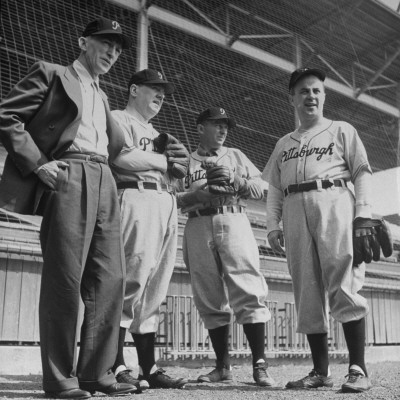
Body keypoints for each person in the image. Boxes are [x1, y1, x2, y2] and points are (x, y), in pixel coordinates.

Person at [0, 17, 137, 399]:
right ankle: (60, 380)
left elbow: (115, 147)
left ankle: (97, 374)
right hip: (69, 173)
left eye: (118, 47)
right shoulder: (52, 73)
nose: (112, 52)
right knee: (65, 279)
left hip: (104, 177)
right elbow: (7, 115)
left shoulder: (105, 94)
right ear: (82, 41)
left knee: (111, 280)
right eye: (105, 42)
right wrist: (38, 161)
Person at [262, 67, 373, 393]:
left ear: (323, 96)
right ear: (292, 98)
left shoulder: (341, 130)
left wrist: (363, 215)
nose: (310, 96)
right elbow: (273, 189)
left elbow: (362, 173)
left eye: (316, 90)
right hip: (295, 207)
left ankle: (357, 367)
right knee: (306, 288)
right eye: (303, 91)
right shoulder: (284, 143)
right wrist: (272, 226)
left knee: (344, 279)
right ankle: (320, 371)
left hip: (334, 198)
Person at [175, 107, 275, 387]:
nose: (222, 129)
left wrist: (236, 180)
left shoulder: (236, 155)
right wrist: (195, 194)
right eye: (216, 124)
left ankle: (260, 364)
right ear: (199, 128)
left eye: (225, 125)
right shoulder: (185, 162)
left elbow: (261, 189)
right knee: (208, 295)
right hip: (196, 223)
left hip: (234, 218)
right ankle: (222, 366)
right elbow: (172, 197)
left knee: (248, 288)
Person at [110, 69, 190, 390]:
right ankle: (115, 364)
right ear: (133, 90)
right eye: (153, 88)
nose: (160, 95)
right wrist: (162, 161)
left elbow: (175, 173)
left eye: (163, 91)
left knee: (155, 288)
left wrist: (180, 170)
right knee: (131, 279)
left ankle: (148, 368)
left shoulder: (158, 132)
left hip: (165, 202)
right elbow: (121, 156)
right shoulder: (118, 118)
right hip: (135, 195)